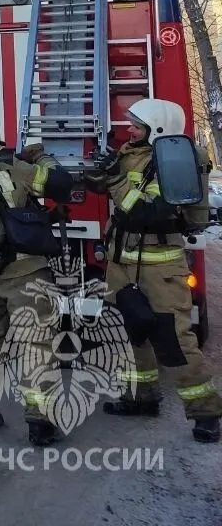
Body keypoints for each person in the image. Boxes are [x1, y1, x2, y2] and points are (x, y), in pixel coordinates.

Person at [85, 98, 222, 443]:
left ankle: (206, 413)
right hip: (122, 263)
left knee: (175, 340)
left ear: (157, 128)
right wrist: (98, 170)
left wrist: (115, 180)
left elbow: (148, 212)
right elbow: (105, 186)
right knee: (129, 333)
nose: (128, 130)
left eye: (135, 126)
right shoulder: (131, 152)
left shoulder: (173, 162)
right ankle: (140, 398)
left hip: (159, 266)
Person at [0, 111, 74, 446]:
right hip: (24, 269)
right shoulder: (11, 168)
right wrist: (42, 157)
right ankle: (40, 423)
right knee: (36, 341)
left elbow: (4, 216)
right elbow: (59, 185)